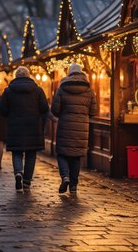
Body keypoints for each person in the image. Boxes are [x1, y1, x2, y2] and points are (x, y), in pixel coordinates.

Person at [0, 66, 49, 192]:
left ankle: (18, 173)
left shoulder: (8, 91)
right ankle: (26, 182)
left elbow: (3, 110)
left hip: (15, 127)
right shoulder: (37, 90)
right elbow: (44, 108)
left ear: (16, 76)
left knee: (17, 152)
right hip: (33, 127)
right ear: (29, 76)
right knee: (31, 155)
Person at [51, 63, 97, 194]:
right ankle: (73, 186)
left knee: (62, 154)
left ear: (69, 73)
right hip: (82, 128)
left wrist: (64, 114)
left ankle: (65, 176)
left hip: (65, 126)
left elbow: (55, 109)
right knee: (76, 157)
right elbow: (94, 111)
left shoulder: (62, 88)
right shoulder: (89, 90)